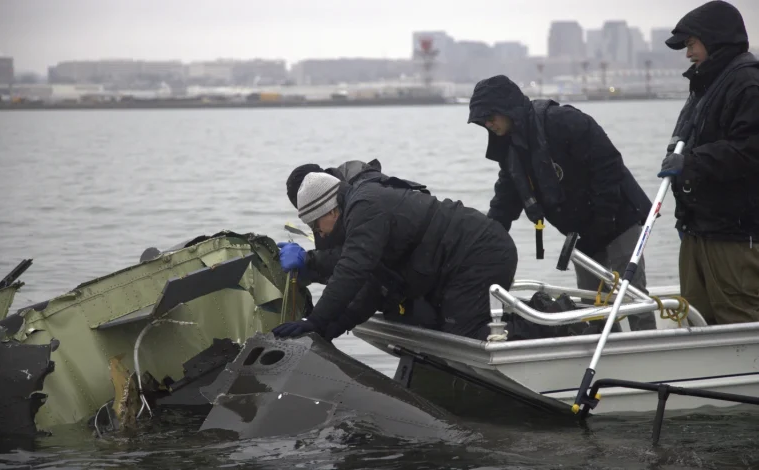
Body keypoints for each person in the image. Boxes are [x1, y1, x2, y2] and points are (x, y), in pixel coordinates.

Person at [467, 74, 656, 331]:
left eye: (491, 116)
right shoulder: (510, 149)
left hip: (619, 217)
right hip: (581, 230)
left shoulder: (563, 121)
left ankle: (646, 348)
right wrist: (487, 238)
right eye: (482, 121)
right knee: (592, 304)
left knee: (632, 293)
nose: (488, 124)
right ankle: (607, 352)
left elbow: (608, 166)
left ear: (507, 109)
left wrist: (603, 219)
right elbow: (505, 199)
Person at [272, 171, 518, 341]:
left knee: (465, 336)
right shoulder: (359, 214)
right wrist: (326, 330)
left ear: (330, 210)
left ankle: (547, 327)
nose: (319, 234)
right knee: (442, 328)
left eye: (316, 226)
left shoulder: (365, 207)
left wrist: (315, 320)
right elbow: (371, 289)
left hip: (481, 253)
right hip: (460, 262)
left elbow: (352, 271)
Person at [657, 0, 759, 325]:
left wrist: (690, 163)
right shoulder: (705, 84)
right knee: (693, 318)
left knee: (738, 317)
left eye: (691, 44)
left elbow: (748, 150)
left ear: (714, 39)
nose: (688, 54)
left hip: (733, 234)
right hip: (697, 229)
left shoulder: (746, 84)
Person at [280, 160, 439, 338]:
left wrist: (311, 263)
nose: (320, 234)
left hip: (444, 266)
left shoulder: (363, 201)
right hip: (413, 277)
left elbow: (354, 266)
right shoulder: (335, 209)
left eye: (315, 224)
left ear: (323, 206)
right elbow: (363, 276)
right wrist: (330, 326)